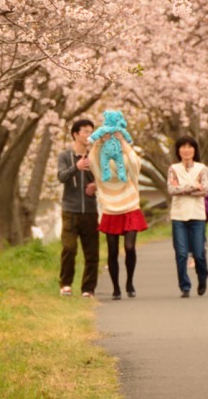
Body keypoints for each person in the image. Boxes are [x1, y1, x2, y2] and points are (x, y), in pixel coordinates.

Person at [87, 110, 147, 300]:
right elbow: (92, 162)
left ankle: (129, 282)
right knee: (112, 251)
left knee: (129, 247)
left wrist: (123, 141)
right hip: (110, 208)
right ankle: (116, 288)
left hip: (130, 206)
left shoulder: (126, 155)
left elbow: (135, 164)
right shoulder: (101, 158)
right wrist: (99, 142)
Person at [167, 136, 208, 298]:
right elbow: (171, 190)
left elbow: (204, 190)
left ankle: (202, 276)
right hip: (178, 215)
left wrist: (182, 187)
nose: (186, 150)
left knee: (199, 253)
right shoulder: (173, 169)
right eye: (183, 147)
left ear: (194, 150)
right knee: (181, 253)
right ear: (178, 150)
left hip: (197, 215)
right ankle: (184, 286)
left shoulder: (202, 169)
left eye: (189, 147)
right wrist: (193, 185)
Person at [57, 118, 99, 298]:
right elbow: (61, 176)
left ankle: (88, 288)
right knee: (69, 247)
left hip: (90, 210)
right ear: (75, 134)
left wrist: (97, 185)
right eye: (85, 131)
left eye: (91, 131)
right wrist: (76, 167)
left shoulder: (95, 155)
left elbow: (105, 177)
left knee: (91, 251)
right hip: (70, 210)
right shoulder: (65, 156)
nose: (89, 134)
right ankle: (66, 284)